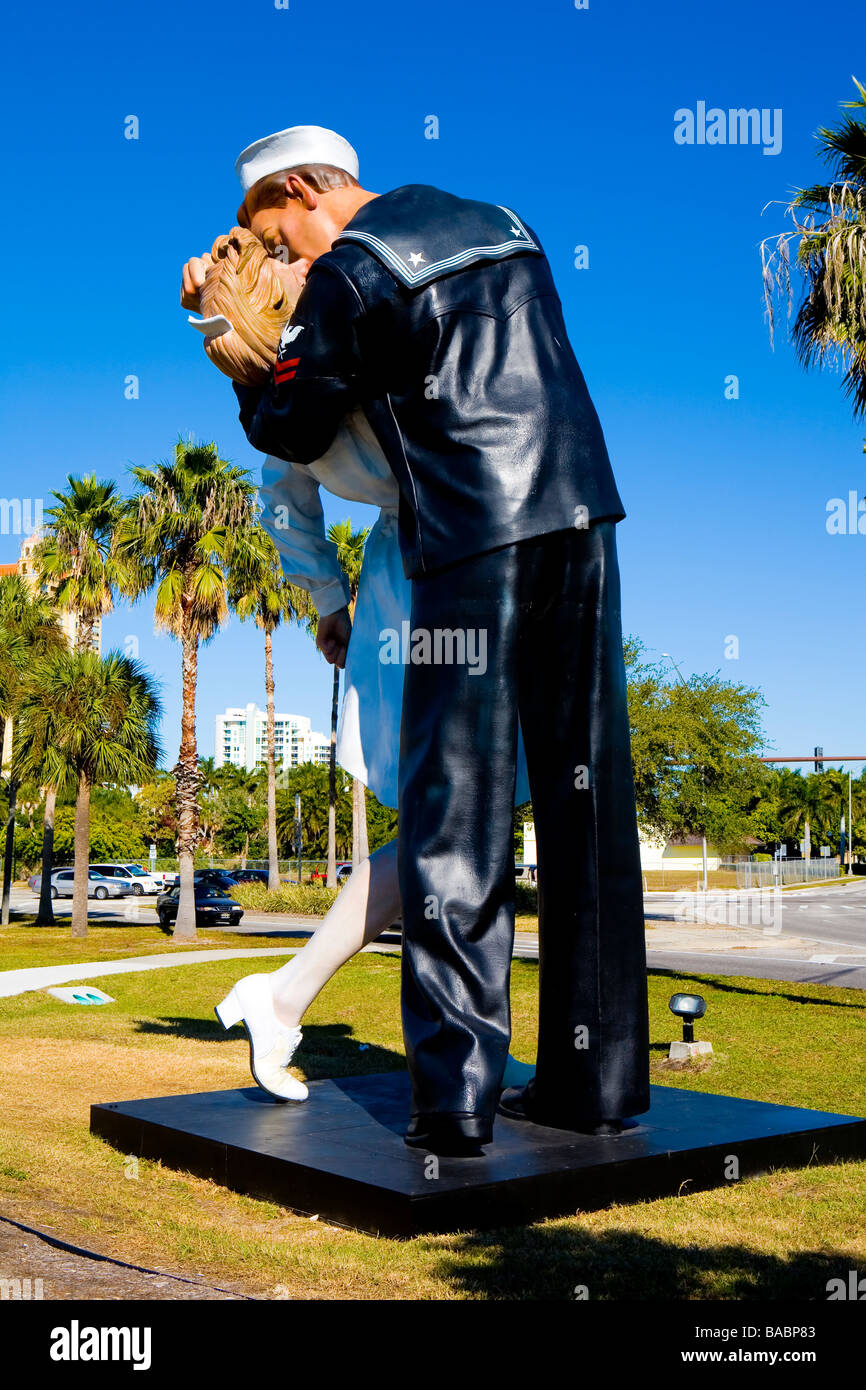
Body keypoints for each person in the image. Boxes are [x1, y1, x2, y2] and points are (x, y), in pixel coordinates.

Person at [182, 123, 650, 1157]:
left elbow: (296, 424)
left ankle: (453, 1103)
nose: (288, 258)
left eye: (279, 232)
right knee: (587, 810)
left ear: (304, 189)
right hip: (582, 517)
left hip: (470, 535)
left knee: (451, 815)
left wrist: (241, 362)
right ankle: (598, 1084)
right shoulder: (501, 221)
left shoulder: (355, 269)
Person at [186, 220, 535, 1103]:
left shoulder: (282, 401)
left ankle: (292, 995)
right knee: (457, 821)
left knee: (450, 824)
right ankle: (306, 998)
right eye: (292, 256)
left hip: (402, 584)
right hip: (447, 568)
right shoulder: (367, 333)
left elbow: (285, 505)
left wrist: (331, 604)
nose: (317, 257)